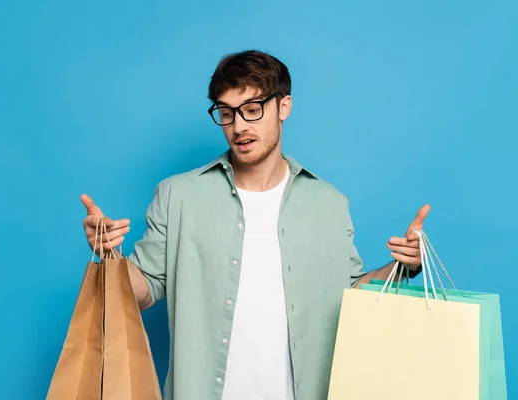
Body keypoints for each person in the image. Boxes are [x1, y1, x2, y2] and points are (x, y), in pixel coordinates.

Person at [81, 50, 429, 400]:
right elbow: (143, 291)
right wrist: (110, 256)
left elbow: (350, 294)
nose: (238, 127)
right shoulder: (178, 195)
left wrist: (403, 267)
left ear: (284, 107)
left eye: (252, 109)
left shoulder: (329, 203)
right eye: (226, 113)